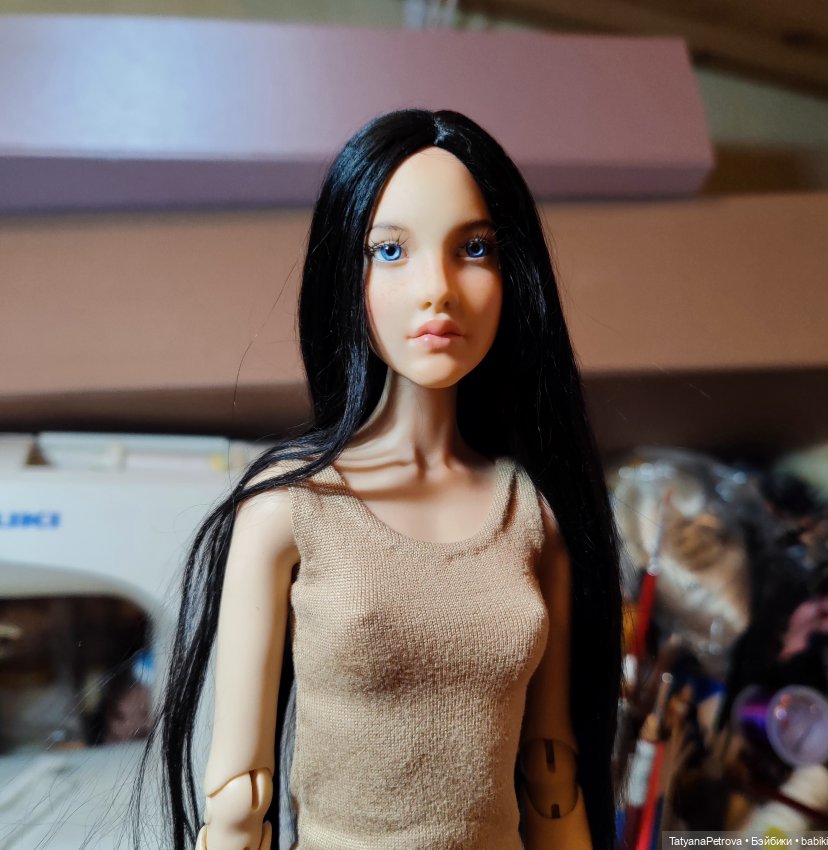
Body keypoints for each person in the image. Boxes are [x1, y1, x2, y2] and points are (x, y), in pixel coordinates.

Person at [137, 109, 623, 850]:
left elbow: (551, 776)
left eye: (475, 248)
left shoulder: (531, 516)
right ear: (345, 272)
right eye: (389, 250)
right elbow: (238, 798)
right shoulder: (292, 509)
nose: (438, 289)